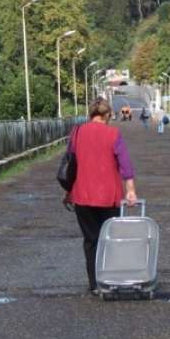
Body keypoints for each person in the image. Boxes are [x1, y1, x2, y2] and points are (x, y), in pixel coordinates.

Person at [65, 97, 138, 294]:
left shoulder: (77, 132)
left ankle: (95, 284)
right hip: (109, 196)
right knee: (110, 239)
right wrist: (130, 190)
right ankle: (110, 279)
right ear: (107, 115)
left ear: (90, 114)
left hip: (82, 195)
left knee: (91, 240)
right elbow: (125, 164)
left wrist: (68, 191)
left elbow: (71, 164)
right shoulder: (113, 133)